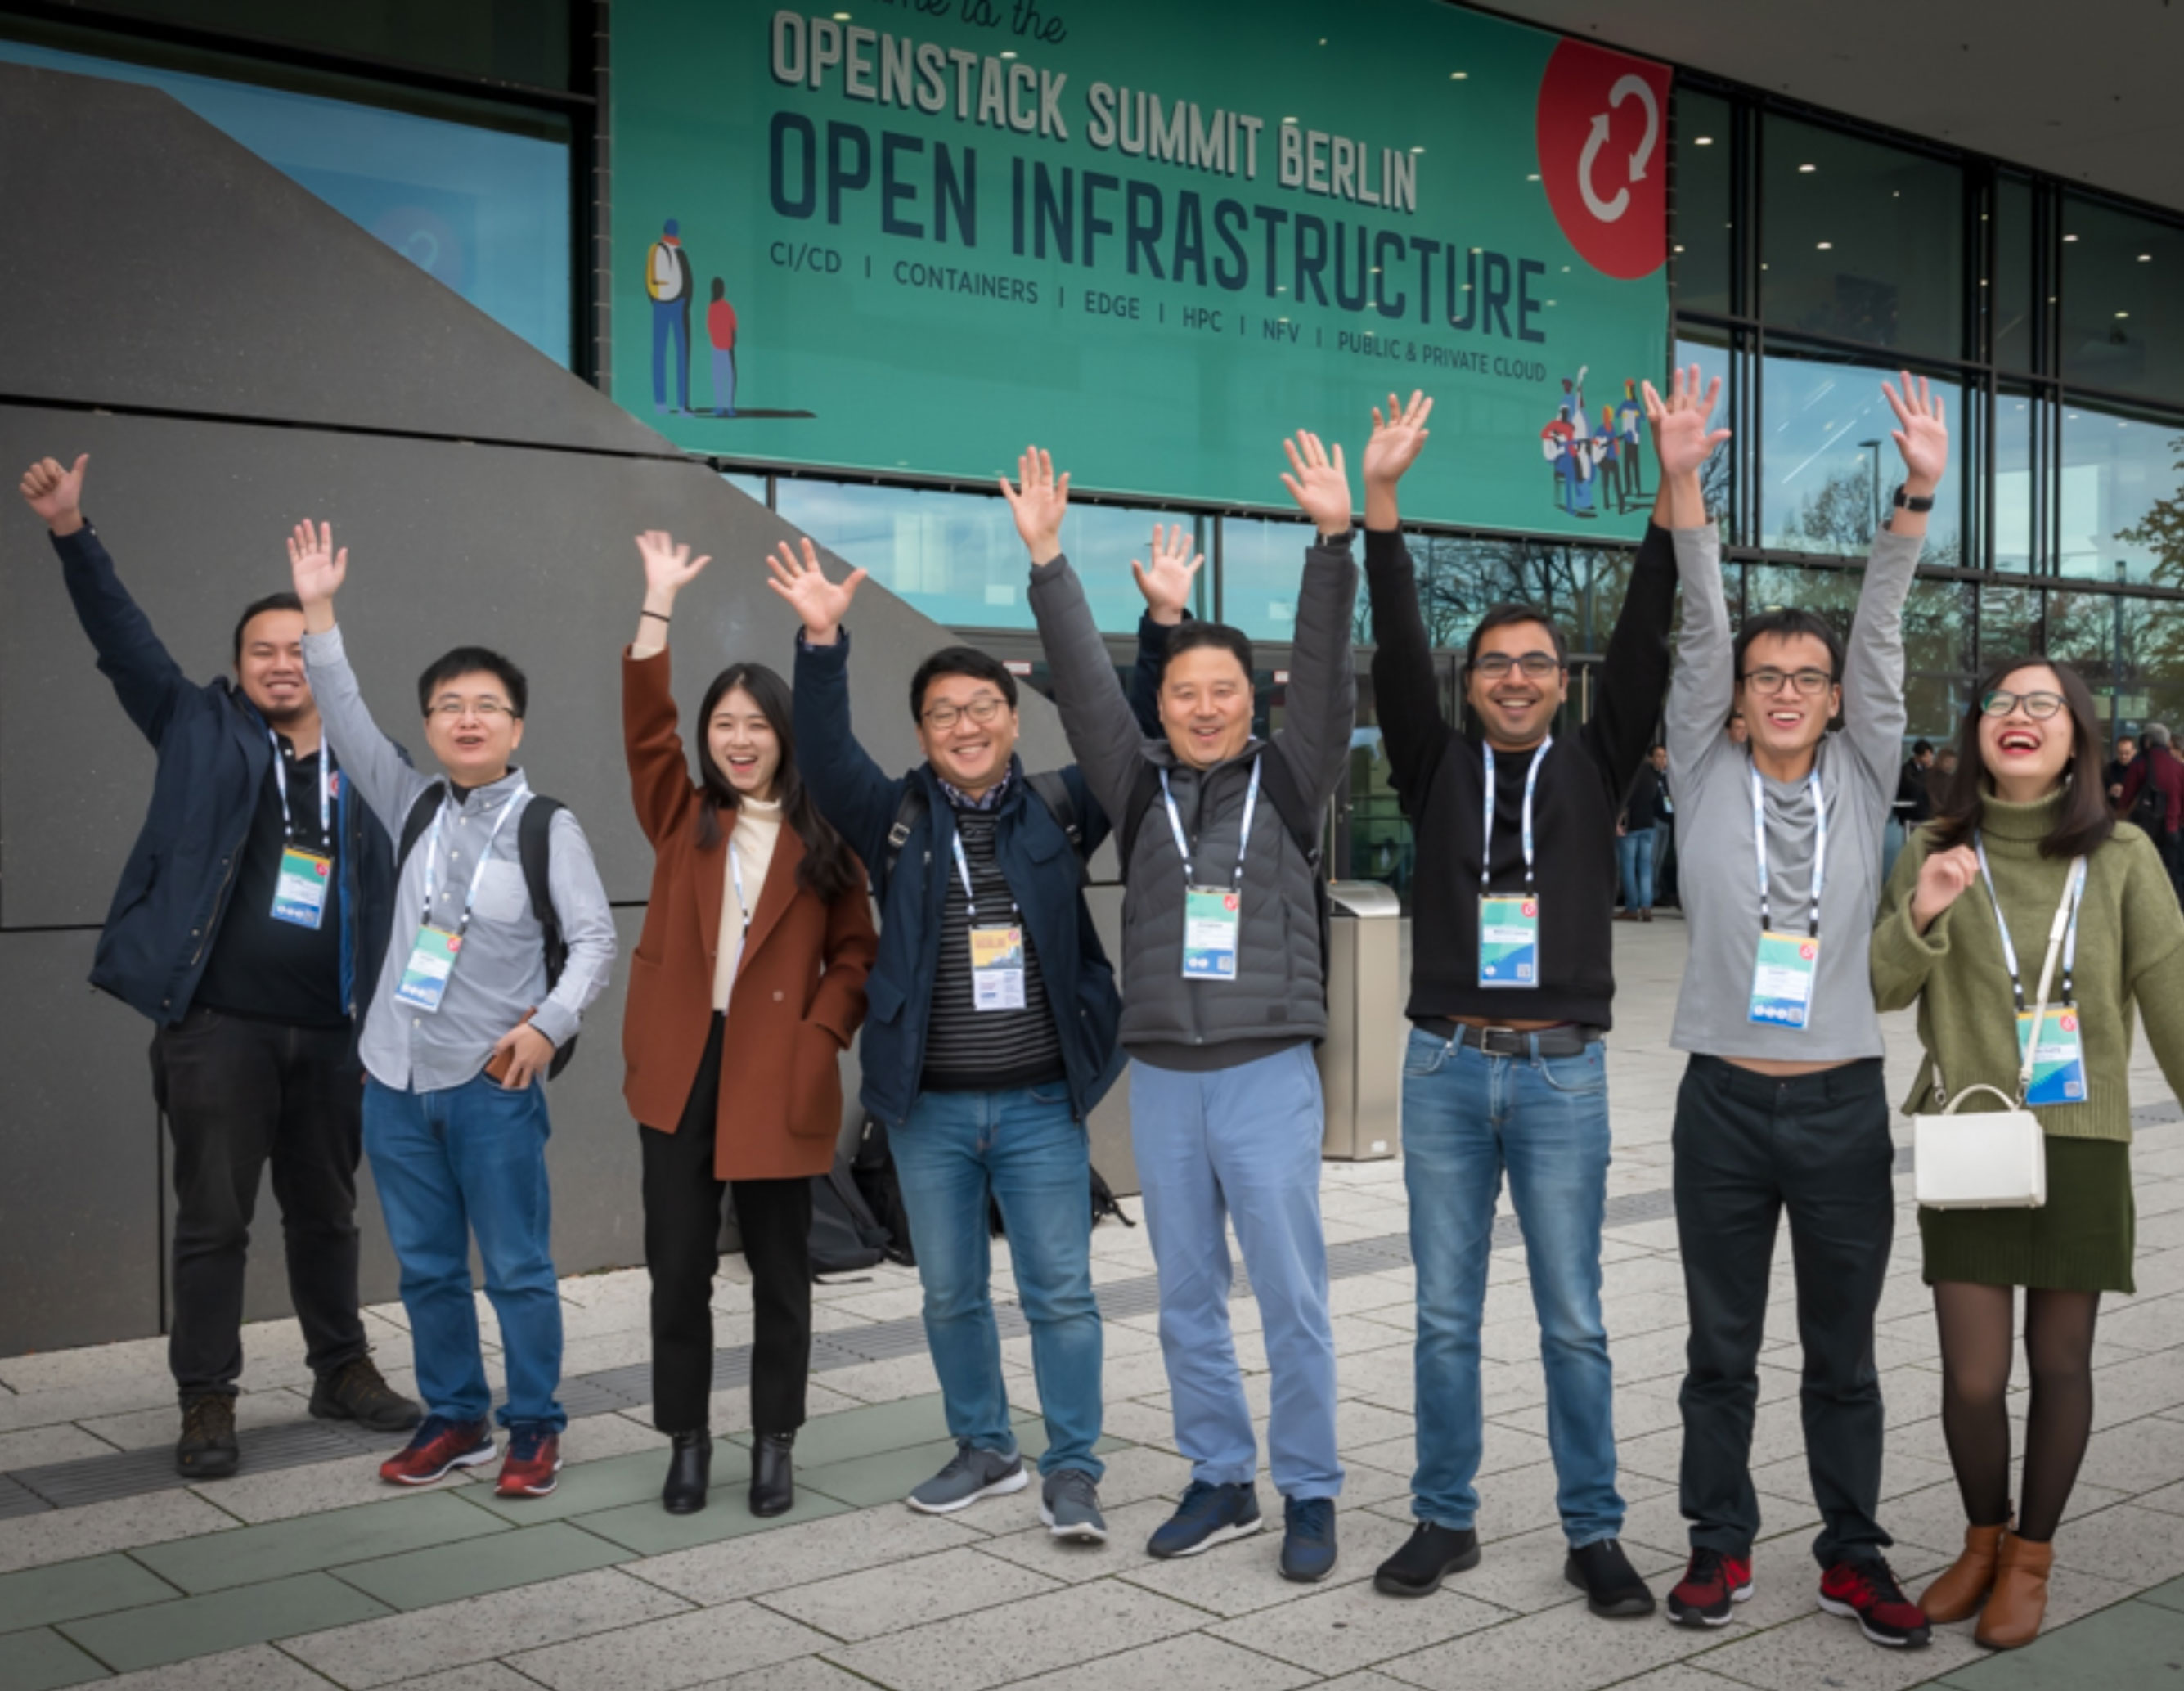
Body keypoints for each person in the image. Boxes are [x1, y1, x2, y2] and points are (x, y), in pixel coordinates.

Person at [1355, 381, 1701, 1617]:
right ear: (1471, 684)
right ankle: (1443, 1517)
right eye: (1494, 664)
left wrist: (1669, 491)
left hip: (1561, 1072)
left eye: (1535, 664)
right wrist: (1381, 507)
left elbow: (1650, 632)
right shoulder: (1433, 761)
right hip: (1444, 1068)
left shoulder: (1599, 763)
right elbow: (1398, 648)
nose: (1513, 678)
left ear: (1564, 683)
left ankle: (1592, 1530)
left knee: (1573, 1319)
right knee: (1443, 1315)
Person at [15, 456, 419, 1480]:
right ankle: (206, 1397)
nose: (282, 665)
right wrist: (71, 530)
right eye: (261, 652)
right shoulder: (196, 727)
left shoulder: (367, 763)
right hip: (218, 1029)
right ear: (238, 667)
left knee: (328, 1214)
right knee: (213, 1222)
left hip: (334, 1034)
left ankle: (341, 1369)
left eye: (298, 648)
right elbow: (122, 640)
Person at [775, 536, 1164, 1545]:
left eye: (983, 707)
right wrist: (821, 643)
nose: (966, 725)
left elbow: (1130, 737)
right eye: (944, 712)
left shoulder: (1061, 807)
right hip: (928, 1111)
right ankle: (986, 1446)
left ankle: (1073, 1467)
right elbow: (822, 752)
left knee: (1060, 1295)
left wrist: (1160, 626)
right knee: (950, 1294)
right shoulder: (893, 818)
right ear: (922, 731)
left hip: (1039, 1104)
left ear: (1012, 718)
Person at [1016, 433, 1357, 1585]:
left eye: (1222, 691)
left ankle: (1310, 1486)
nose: (1202, 708)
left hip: (1265, 1071)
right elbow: (1082, 691)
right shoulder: (1134, 785)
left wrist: (1331, 545)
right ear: (1157, 699)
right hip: (1164, 1073)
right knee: (1184, 1295)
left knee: (1292, 1297)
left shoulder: (1290, 781)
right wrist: (1050, 561)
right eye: (1181, 691)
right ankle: (1220, 1474)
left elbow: (1327, 679)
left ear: (1249, 701)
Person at [1660, 371, 1950, 1649]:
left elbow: (1880, 636)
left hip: (1838, 1105)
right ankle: (1717, 1541)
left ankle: (1852, 1552)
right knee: (1718, 1349)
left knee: (1842, 1352)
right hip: (1720, 1104)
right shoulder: (1702, 766)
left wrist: (1914, 498)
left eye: (1806, 677)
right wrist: (1682, 485)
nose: (1784, 689)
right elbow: (1698, 624)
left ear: (1834, 699)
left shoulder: (1864, 766)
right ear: (1735, 696)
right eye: (1764, 674)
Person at [290, 521, 617, 1500]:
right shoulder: (413, 803)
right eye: (448, 707)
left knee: (515, 1268)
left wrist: (545, 1028)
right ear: (430, 725)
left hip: (491, 1084)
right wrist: (319, 613)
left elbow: (596, 943)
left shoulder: (548, 826)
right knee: (427, 1269)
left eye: (487, 707)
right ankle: (456, 1417)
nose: (467, 721)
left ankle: (535, 1427)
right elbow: (344, 714)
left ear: (517, 728)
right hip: (393, 1080)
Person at [1874, 659, 2184, 1649]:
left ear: (2078, 737)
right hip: (1972, 1133)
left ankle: (2032, 1557)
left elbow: (2171, 997)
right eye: (2001, 703)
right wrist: (1925, 908)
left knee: (2060, 1362)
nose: (2020, 716)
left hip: (2081, 1138)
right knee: (1972, 1376)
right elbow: (1881, 987)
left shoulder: (2124, 853)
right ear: (1977, 733)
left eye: (2043, 704)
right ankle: (1982, 1539)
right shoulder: (1935, 845)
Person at [622, 531, 876, 1516]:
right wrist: (658, 604)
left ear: (783, 735)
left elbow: (856, 952)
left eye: (756, 724)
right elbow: (645, 727)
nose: (738, 739)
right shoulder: (680, 814)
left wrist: (821, 1036)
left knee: (781, 1272)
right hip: (680, 1068)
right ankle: (687, 1443)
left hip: (779, 1068)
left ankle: (776, 1443)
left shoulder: (826, 834)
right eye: (723, 724)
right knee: (678, 1269)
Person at [2119, 725, 2184, 894]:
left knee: (2143, 878)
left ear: (2147, 741)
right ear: (2167, 743)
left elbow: (2126, 800)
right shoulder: (2179, 767)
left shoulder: (2139, 764)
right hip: (2172, 830)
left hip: (2144, 830)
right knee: (2173, 878)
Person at [647, 218, 694, 416]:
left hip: (678, 305)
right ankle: (660, 402)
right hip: (662, 304)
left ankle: (682, 405)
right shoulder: (657, 249)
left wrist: (684, 300)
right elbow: (651, 279)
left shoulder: (680, 253)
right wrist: (658, 299)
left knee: (681, 353)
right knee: (660, 352)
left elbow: (687, 279)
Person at [1618, 753, 1665, 923]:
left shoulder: (1628, 776)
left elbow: (1622, 799)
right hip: (1648, 824)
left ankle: (1632, 907)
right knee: (1646, 867)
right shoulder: (1652, 776)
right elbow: (1659, 801)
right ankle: (1646, 906)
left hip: (1631, 825)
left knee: (1628, 867)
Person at [1651, 745, 1680, 911]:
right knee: (1652, 860)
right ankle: (1652, 894)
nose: (1662, 760)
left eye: (1665, 757)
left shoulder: (1668, 777)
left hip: (1667, 821)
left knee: (1660, 860)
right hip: (1655, 820)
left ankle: (1657, 892)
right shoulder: (1651, 776)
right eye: (1659, 756)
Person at [706, 279, 738, 418]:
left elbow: (710, 326)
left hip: (717, 346)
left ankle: (721, 406)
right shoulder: (726, 306)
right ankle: (728, 407)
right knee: (728, 376)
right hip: (726, 346)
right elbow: (733, 325)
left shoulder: (712, 307)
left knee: (718, 376)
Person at [2105, 735, 2138, 810]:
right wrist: (2109, 792)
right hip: (2112, 811)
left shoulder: (2140, 771)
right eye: (2120, 753)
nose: (2123, 756)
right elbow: (2098, 793)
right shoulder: (2107, 769)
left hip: (2133, 812)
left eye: (2127, 753)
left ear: (2134, 752)